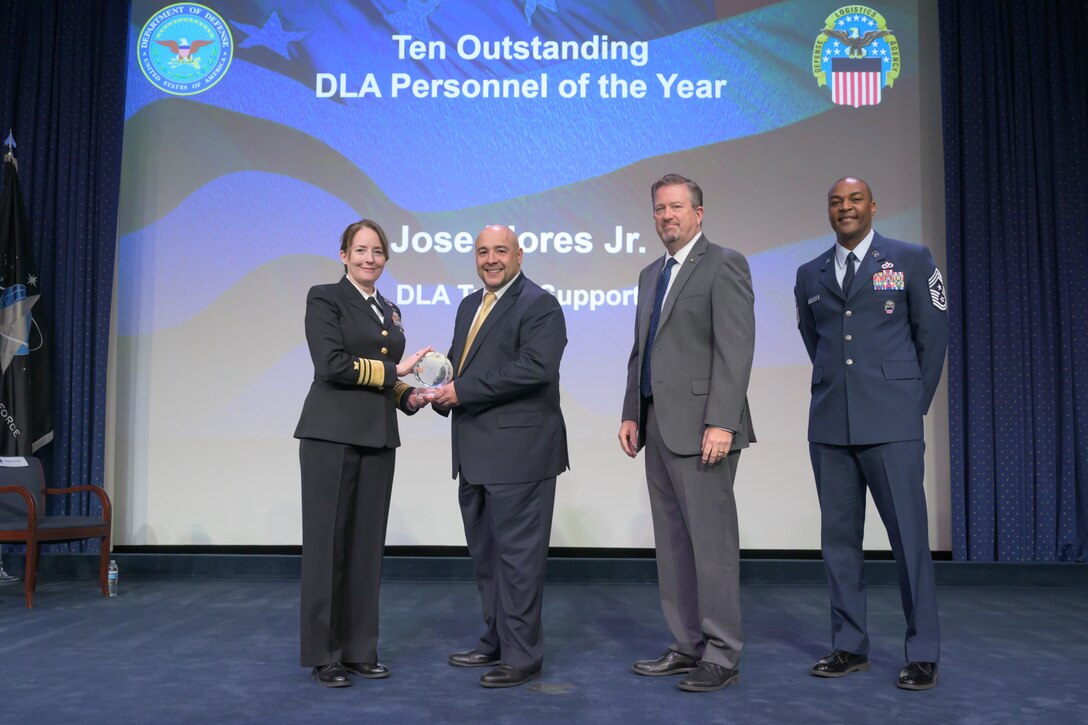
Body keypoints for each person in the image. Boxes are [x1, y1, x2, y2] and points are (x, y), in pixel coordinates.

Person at [794, 177, 948, 691]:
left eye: (855, 199)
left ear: (873, 206)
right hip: (831, 425)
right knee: (839, 543)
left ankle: (922, 651)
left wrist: (911, 407)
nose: (845, 208)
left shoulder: (911, 259)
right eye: (836, 201)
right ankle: (849, 646)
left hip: (892, 426)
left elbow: (933, 337)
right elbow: (815, 340)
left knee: (908, 541)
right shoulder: (808, 273)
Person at [618, 173, 756, 693]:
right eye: (659, 209)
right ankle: (686, 644)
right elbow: (642, 349)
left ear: (699, 213)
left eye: (676, 207)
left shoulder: (725, 263)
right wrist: (632, 411)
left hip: (705, 429)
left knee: (711, 546)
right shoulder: (650, 272)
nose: (666, 216)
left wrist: (722, 420)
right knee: (673, 546)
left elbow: (736, 349)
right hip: (658, 425)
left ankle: (721, 654)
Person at [429, 224, 568, 688]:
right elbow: (461, 366)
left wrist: (460, 389)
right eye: (483, 251)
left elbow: (534, 368)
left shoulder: (540, 304)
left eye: (500, 251)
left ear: (520, 256)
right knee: (487, 556)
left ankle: (523, 655)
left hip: (521, 455)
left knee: (519, 560)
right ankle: (496, 639)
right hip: (474, 453)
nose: (491, 259)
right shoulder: (470, 305)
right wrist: (431, 381)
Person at [294, 219, 430, 687]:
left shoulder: (389, 310)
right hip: (330, 435)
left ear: (386, 259)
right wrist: (395, 370)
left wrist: (408, 396)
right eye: (360, 250)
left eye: (377, 252)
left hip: (378, 435)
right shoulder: (324, 298)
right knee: (326, 547)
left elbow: (383, 379)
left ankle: (359, 650)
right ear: (344, 255)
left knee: (366, 549)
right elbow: (330, 365)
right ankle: (323, 654)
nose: (369, 258)